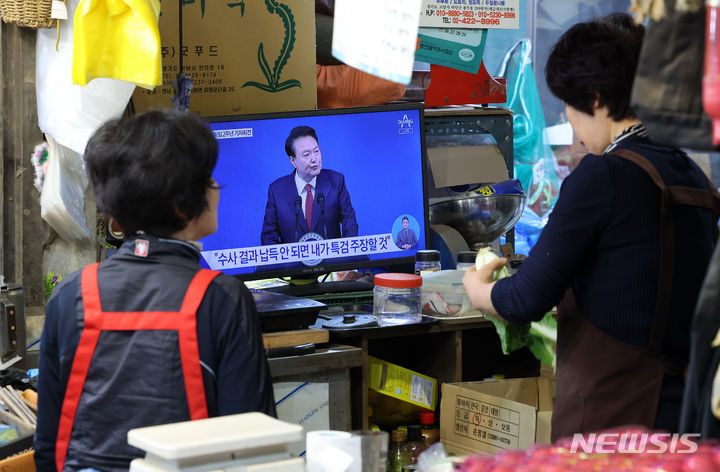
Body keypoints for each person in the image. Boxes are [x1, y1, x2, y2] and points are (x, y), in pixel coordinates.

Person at [463, 13, 720, 440]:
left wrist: (478, 289)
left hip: (616, 423)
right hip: (687, 419)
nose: (574, 129)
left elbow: (525, 299)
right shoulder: (690, 173)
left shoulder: (603, 175)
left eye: (569, 104)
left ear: (597, 98)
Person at [35, 110, 276, 472]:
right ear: (183, 206)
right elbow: (255, 450)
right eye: (209, 181)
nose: (216, 191)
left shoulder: (71, 294)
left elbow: (48, 448)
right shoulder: (222, 299)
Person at [260, 125, 359, 244]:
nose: (314, 159)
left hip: (332, 261)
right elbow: (269, 236)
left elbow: (350, 223)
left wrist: (345, 256)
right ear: (293, 161)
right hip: (293, 261)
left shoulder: (336, 181)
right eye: (307, 155)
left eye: (316, 151)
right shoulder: (276, 190)